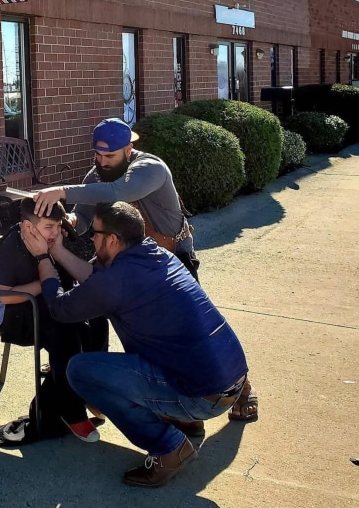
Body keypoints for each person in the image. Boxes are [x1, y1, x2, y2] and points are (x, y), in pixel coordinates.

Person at [33, 117, 258, 424]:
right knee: (132, 328)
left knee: (191, 328)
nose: (101, 162)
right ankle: (143, 392)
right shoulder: (97, 174)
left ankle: (240, 386)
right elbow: (84, 217)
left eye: (109, 156)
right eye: (97, 156)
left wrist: (61, 190)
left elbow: (117, 193)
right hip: (125, 265)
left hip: (167, 259)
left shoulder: (150, 168)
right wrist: (69, 223)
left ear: (129, 148)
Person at [27, 201, 249, 487]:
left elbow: (60, 308)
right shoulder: (156, 255)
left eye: (94, 233)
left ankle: (169, 447)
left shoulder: (118, 280)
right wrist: (57, 249)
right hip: (229, 380)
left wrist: (42, 258)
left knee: (81, 371)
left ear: (112, 239)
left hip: (203, 395)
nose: (90, 238)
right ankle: (183, 420)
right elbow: (97, 282)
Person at [0, 197, 102, 446]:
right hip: (13, 312)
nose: (56, 233)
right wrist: (43, 283)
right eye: (49, 227)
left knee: (96, 316)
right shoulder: (13, 246)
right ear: (28, 226)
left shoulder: (51, 238)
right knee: (65, 331)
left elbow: (79, 276)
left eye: (58, 226)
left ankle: (89, 388)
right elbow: (4, 296)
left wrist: (57, 249)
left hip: (42, 303)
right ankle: (72, 412)